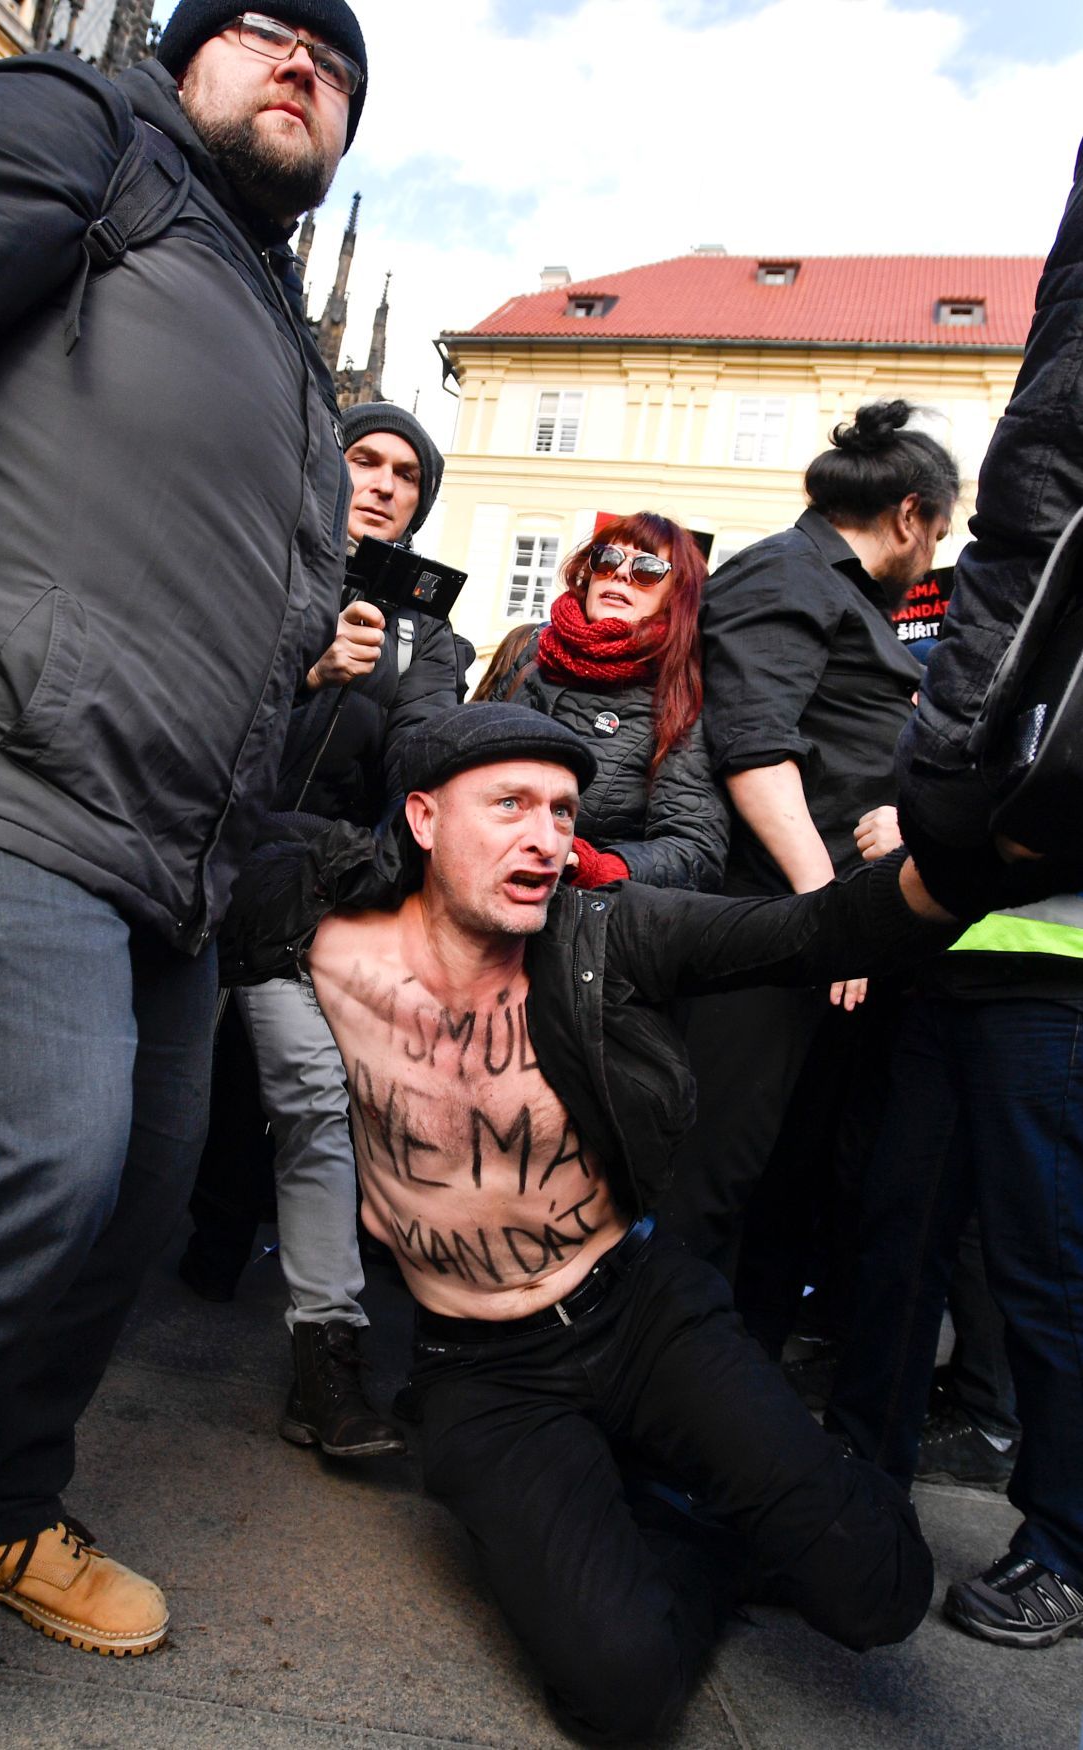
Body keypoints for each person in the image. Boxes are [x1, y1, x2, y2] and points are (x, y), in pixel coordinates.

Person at [219, 702, 958, 1741]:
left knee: (880, 1592)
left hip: (643, 1312)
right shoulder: (327, 935)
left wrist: (976, 853)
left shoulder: (605, 934)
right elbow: (228, 806)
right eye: (510, 804)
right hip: (482, 1370)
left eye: (564, 811)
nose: (545, 836)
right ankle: (692, 1521)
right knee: (618, 1691)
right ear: (424, 817)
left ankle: (756, 1491)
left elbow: (814, 929)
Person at [0, 0, 366, 1658]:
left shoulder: (285, 344)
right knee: (24, 1165)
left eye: (338, 70)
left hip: (177, 848)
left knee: (129, 1203)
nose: (306, 66)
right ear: (180, 60)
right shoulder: (83, 135)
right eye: (264, 33)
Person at [882, 138, 1083, 1648]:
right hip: (984, 930)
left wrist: (974, 821)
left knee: (1044, 1265)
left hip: (1043, 935)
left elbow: (1028, 550)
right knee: (946, 1239)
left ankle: (1066, 1541)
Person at [181, 402, 463, 1460]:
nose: (385, 483)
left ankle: (325, 1360)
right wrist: (309, 677)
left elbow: (418, 774)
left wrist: (389, 693)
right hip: (187, 862)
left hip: (306, 893)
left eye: (407, 475)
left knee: (309, 1097)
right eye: (366, 460)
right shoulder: (254, 566)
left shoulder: (427, 633)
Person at [666, 403, 959, 1349]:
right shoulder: (785, 574)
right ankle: (646, 1405)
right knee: (712, 1185)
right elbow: (754, 754)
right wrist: (827, 917)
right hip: (764, 931)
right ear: (910, 515)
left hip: (812, 937)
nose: (937, 551)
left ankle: (723, 1400)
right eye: (942, 529)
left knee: (776, 1185)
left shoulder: (839, 595)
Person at [489, 513, 728, 892]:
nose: (619, 574)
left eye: (647, 568)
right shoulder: (532, 655)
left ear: (677, 595)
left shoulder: (682, 694)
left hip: (580, 914)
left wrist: (593, 866)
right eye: (608, 559)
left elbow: (694, 848)